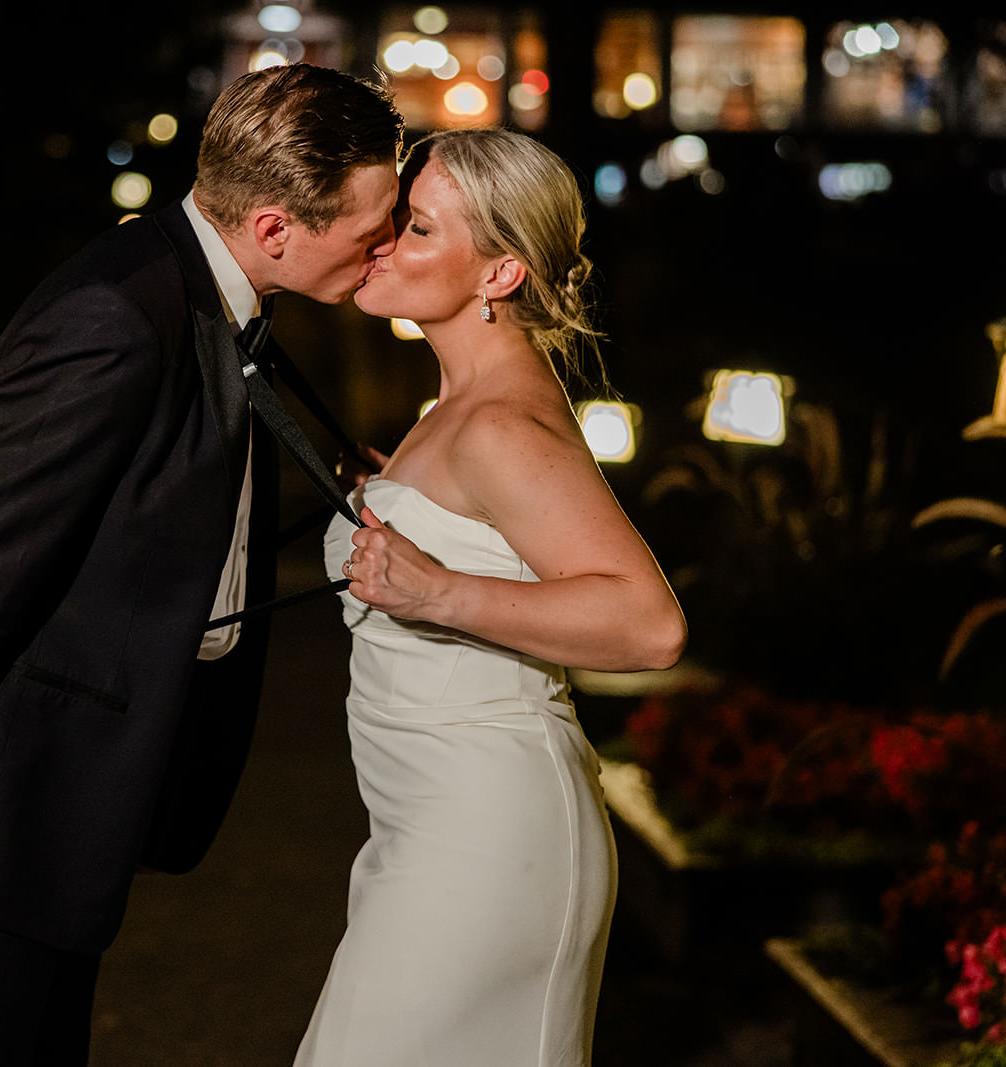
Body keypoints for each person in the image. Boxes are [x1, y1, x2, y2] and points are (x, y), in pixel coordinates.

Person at [0, 63, 403, 1065]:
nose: (381, 246)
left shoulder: (210, 292)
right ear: (273, 228)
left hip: (63, 824)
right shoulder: (114, 318)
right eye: (372, 226)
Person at [300, 128, 687, 1066]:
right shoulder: (457, 409)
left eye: (418, 229)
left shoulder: (501, 422)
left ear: (500, 274)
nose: (383, 244)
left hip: (487, 838)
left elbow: (649, 623)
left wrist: (437, 588)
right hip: (428, 826)